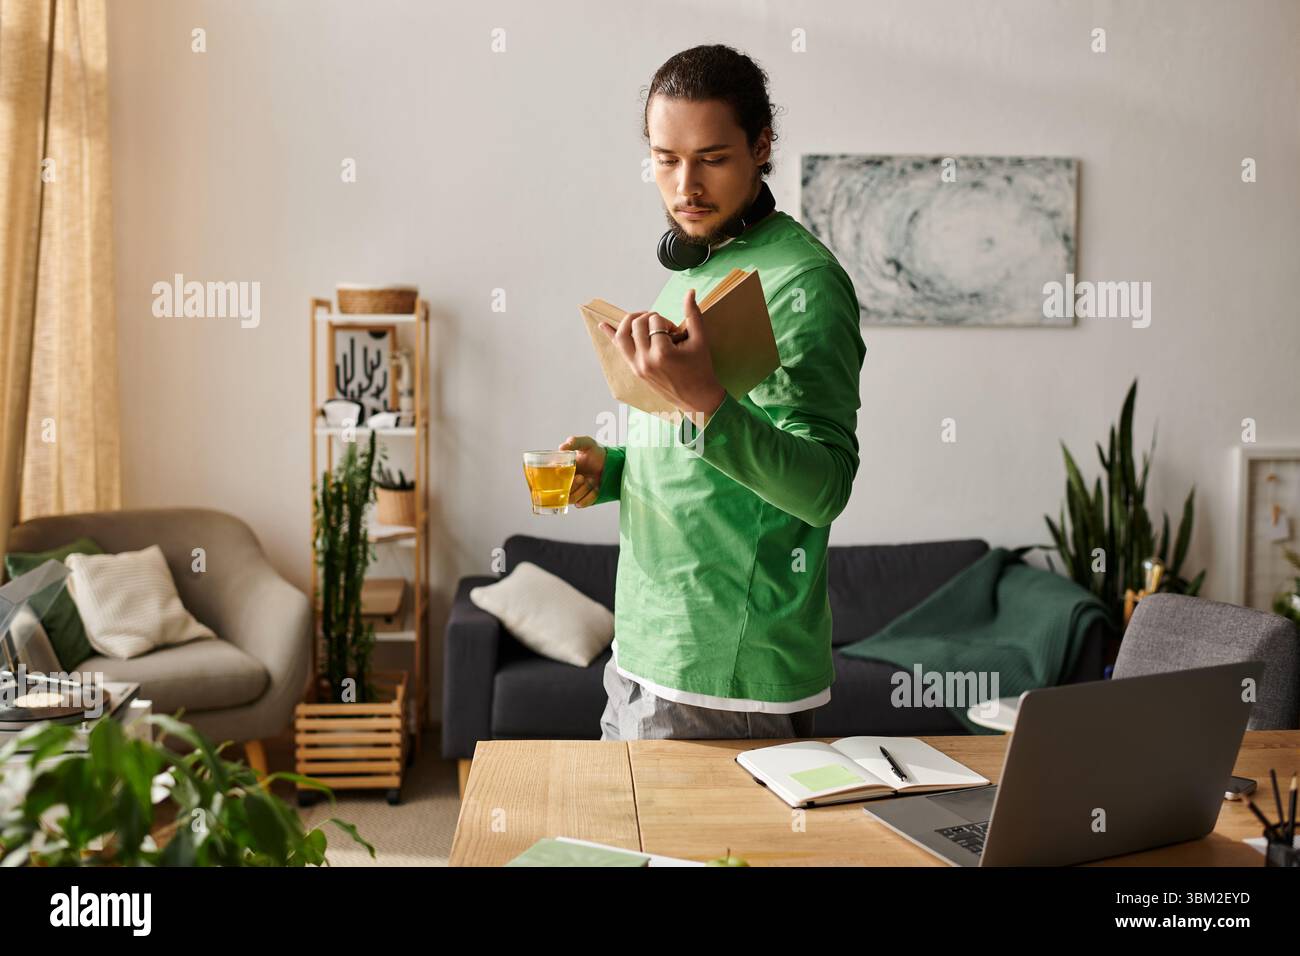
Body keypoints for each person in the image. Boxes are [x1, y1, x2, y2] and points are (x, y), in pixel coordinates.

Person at [561, 44, 865, 742]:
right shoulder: (696, 265)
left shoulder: (804, 284)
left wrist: (705, 401)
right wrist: (608, 471)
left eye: (713, 157)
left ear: (761, 148)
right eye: (665, 159)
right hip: (644, 641)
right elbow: (688, 452)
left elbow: (825, 489)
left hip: (723, 668)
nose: (685, 186)